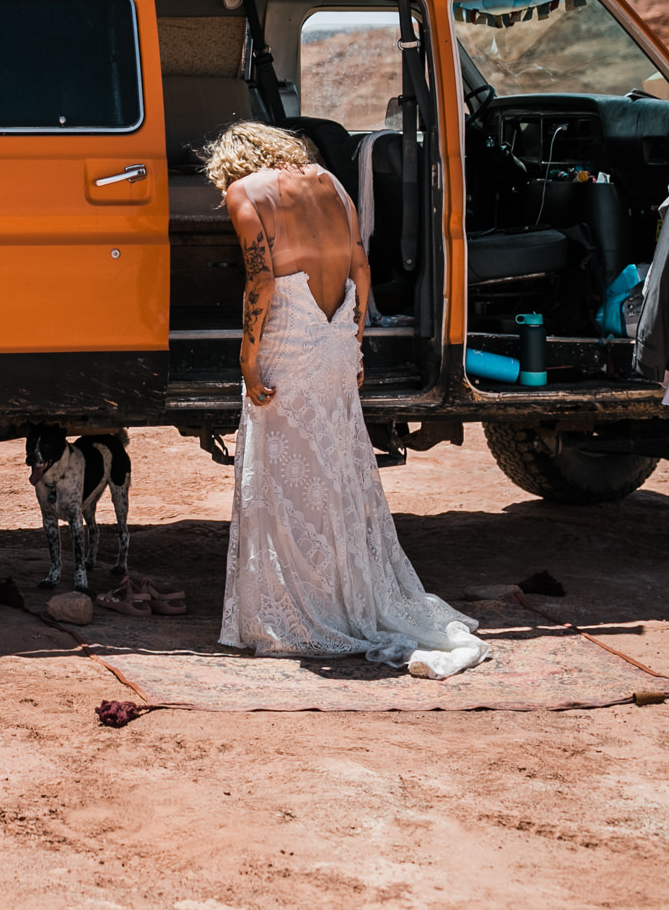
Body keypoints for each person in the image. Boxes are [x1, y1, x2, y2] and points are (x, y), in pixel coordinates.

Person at [209, 122, 489, 680]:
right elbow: (360, 267)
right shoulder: (333, 184)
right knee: (336, 470)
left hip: (289, 338)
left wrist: (246, 357)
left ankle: (297, 613)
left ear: (233, 162)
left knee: (284, 480)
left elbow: (260, 283)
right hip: (335, 336)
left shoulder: (245, 193)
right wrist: (354, 339)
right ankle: (348, 593)